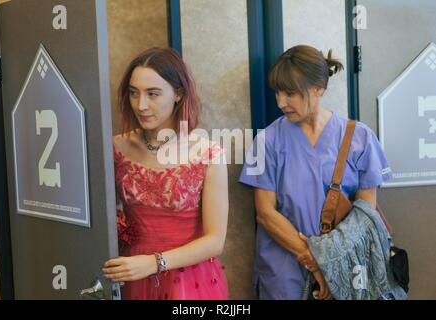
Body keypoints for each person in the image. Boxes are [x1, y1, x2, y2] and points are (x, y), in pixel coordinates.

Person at [239, 45, 393, 300]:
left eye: (290, 93)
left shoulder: (360, 137)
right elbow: (265, 214)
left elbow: (364, 215)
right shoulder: (266, 141)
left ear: (318, 88)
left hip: (345, 268)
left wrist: (331, 263)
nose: (280, 102)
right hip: (283, 271)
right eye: (277, 92)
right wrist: (315, 261)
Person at [103, 47, 229, 300]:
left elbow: (215, 240)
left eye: (153, 94)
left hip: (189, 280)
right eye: (133, 93)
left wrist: (154, 263)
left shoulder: (208, 153)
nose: (141, 105)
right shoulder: (115, 147)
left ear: (178, 94)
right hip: (130, 273)